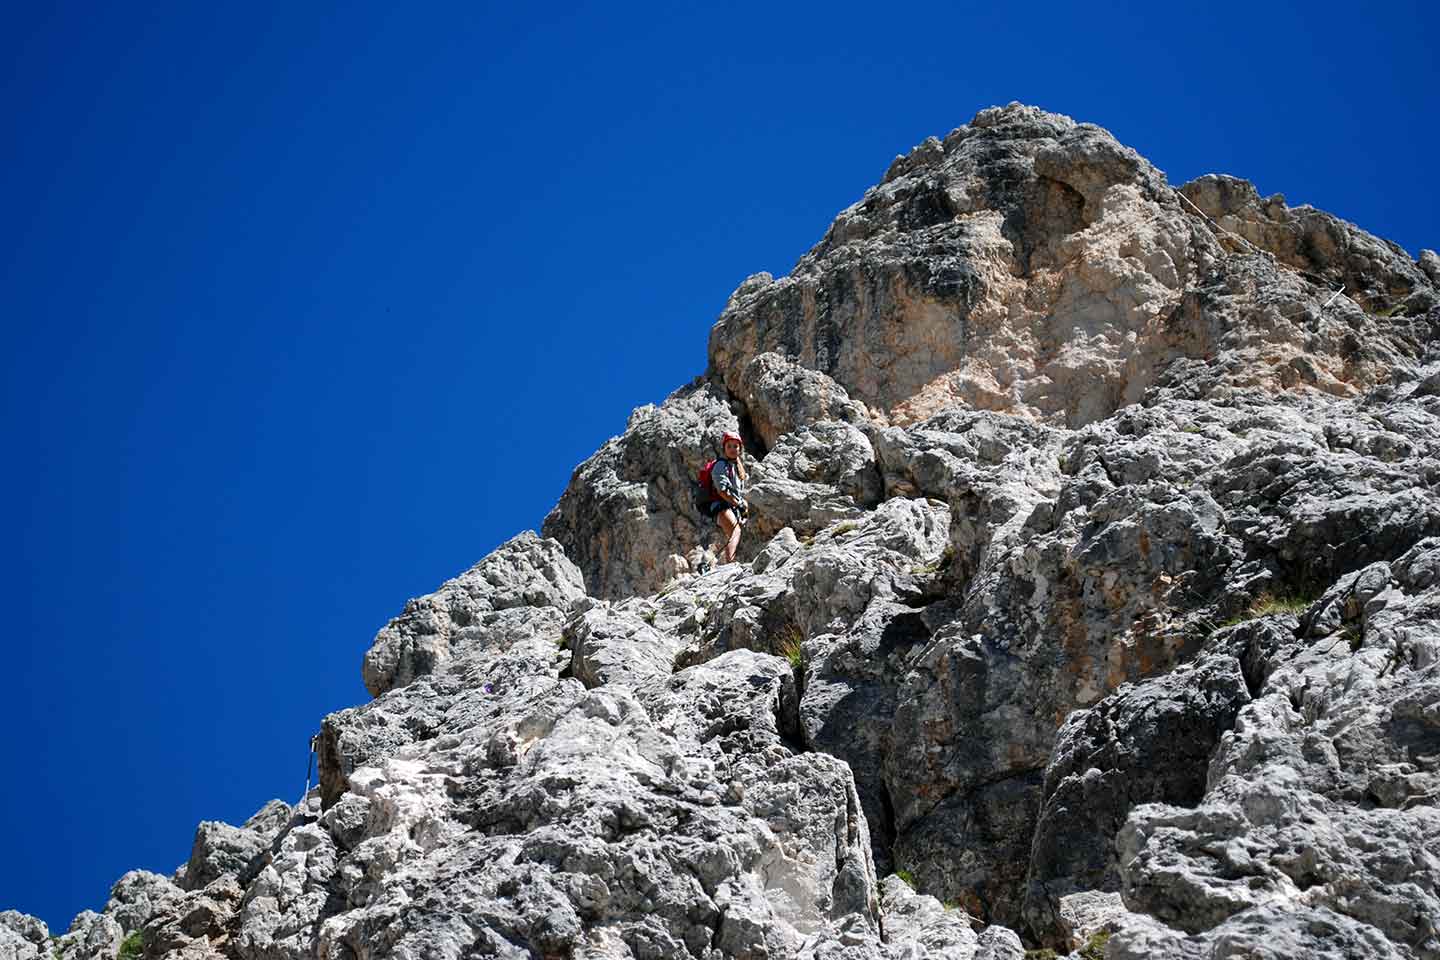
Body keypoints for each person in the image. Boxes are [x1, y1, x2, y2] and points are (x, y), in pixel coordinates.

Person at [705, 430, 748, 566]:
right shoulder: (720, 465)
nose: (732, 449)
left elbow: (738, 493)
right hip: (720, 504)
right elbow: (722, 490)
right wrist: (738, 504)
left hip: (728, 505)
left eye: (735, 446)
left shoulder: (735, 469)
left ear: (739, 449)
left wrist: (742, 506)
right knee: (735, 532)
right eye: (729, 446)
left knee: (733, 534)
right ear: (724, 449)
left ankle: (727, 564)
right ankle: (730, 566)